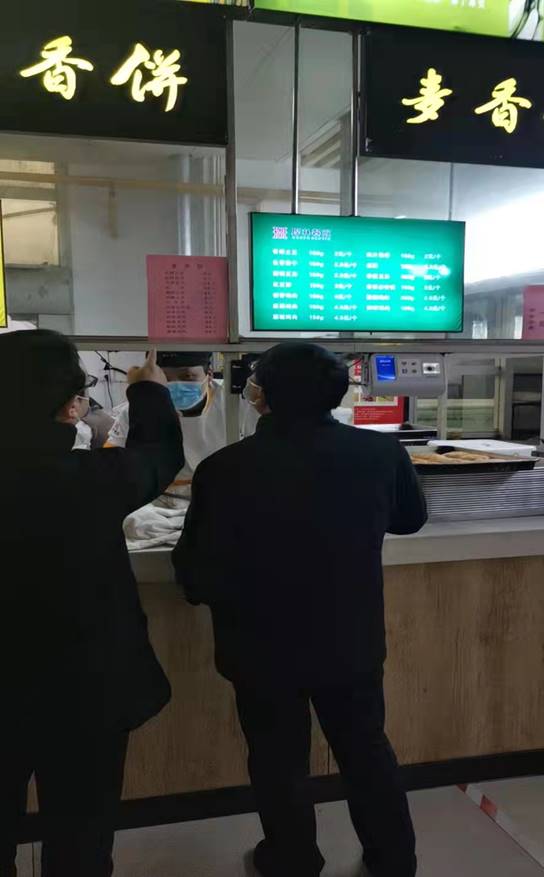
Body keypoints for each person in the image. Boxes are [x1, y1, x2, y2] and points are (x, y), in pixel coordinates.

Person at [173, 341, 427, 877]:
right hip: (350, 638)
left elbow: (197, 571)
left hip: (259, 645)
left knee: (277, 757)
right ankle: (394, 859)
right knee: (365, 749)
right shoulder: (380, 453)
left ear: (260, 396)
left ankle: (292, 859)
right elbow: (409, 520)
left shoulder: (224, 468)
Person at [0, 331, 183, 877]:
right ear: (70, 406)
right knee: (80, 837)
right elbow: (159, 455)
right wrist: (148, 390)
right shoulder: (92, 481)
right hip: (85, 692)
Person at [105, 351, 258, 549]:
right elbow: (113, 458)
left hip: (219, 494)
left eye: (188, 376)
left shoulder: (235, 402)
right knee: (132, 524)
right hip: (159, 499)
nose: (176, 385)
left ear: (209, 374)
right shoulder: (139, 408)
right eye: (165, 378)